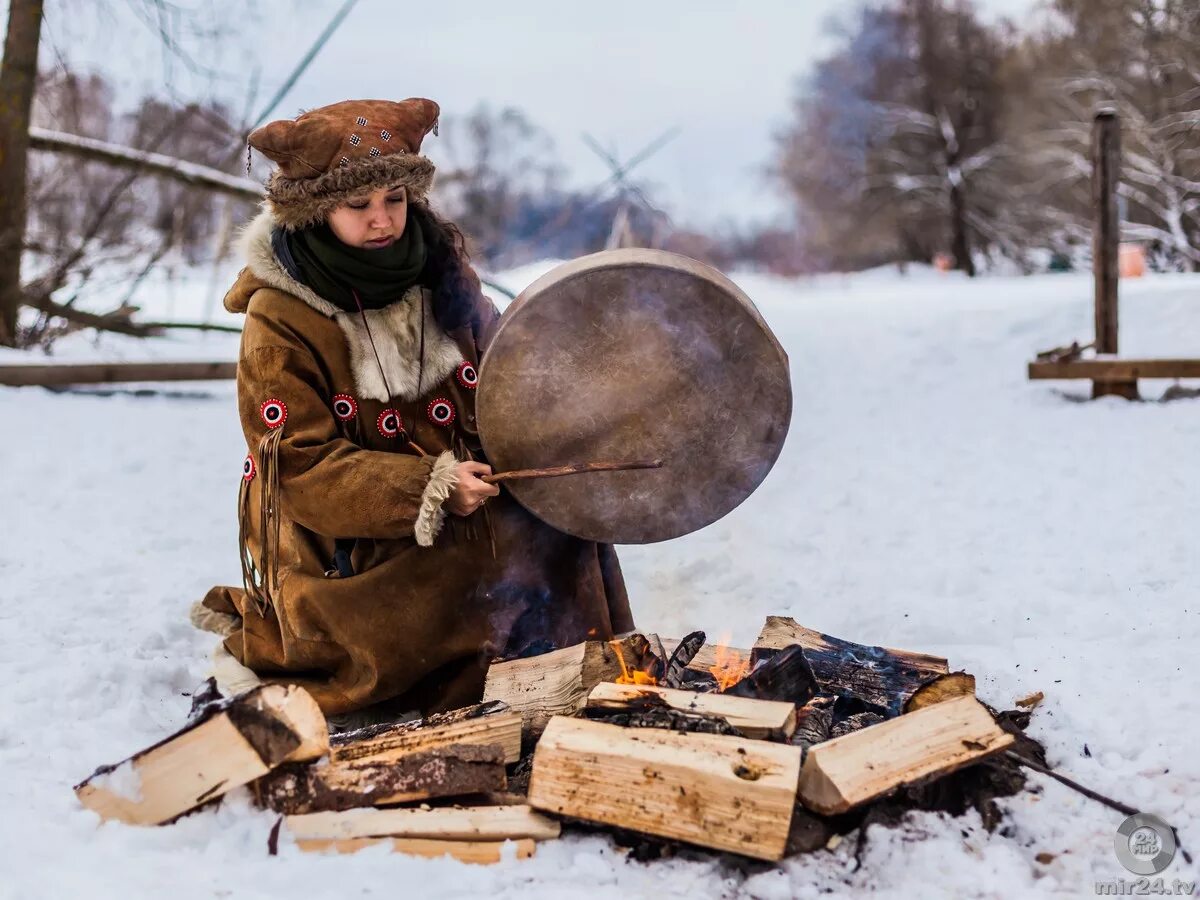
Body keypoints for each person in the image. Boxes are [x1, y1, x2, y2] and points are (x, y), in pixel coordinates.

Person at [195, 98, 634, 721]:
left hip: (476, 493)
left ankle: (573, 680)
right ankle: (496, 693)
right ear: (315, 210)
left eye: (395, 200)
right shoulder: (279, 316)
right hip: (353, 547)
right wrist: (426, 487)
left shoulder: (444, 275)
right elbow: (298, 467)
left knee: (559, 526)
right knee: (474, 564)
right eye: (359, 206)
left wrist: (581, 418)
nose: (383, 221)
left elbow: (513, 381)